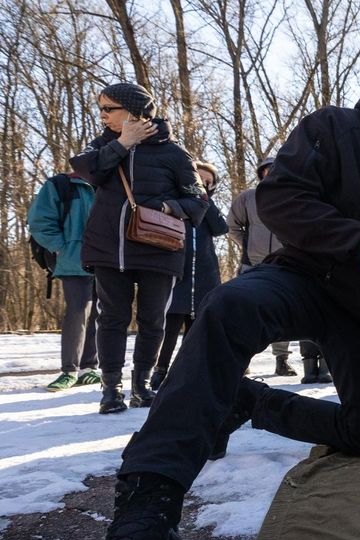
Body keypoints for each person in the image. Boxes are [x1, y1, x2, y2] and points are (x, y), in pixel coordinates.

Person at [68, 61, 360, 540]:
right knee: (227, 307)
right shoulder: (334, 128)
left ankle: (249, 401)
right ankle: (145, 515)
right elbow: (280, 200)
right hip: (304, 276)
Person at [70, 83, 208, 415]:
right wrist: (122, 143)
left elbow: (199, 201)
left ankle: (142, 385)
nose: (102, 115)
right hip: (109, 248)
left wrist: (168, 208)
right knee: (112, 319)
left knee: (153, 320)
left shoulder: (175, 153)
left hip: (159, 247)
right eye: (100, 109)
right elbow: (87, 170)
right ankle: (111, 388)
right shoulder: (102, 144)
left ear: (133, 111)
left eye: (109, 108)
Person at [151, 161, 230, 389]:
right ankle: (160, 369)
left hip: (205, 276)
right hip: (178, 274)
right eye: (199, 179)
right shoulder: (177, 203)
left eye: (208, 182)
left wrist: (206, 200)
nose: (202, 184)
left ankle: (184, 371)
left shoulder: (209, 207)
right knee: (170, 327)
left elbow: (220, 228)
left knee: (195, 330)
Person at [28, 172, 100, 391]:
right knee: (78, 310)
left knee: (100, 311)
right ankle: (69, 370)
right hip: (73, 259)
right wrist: (61, 246)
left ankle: (89, 368)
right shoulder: (61, 184)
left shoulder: (111, 182)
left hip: (108, 259)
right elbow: (39, 221)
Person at [228, 155, 298, 377]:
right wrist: (248, 246)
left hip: (284, 263)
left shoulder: (292, 197)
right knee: (246, 313)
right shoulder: (248, 197)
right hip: (252, 265)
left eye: (275, 169)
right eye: (266, 170)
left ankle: (282, 360)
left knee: (282, 313)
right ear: (260, 173)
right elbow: (232, 226)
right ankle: (243, 359)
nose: (271, 173)